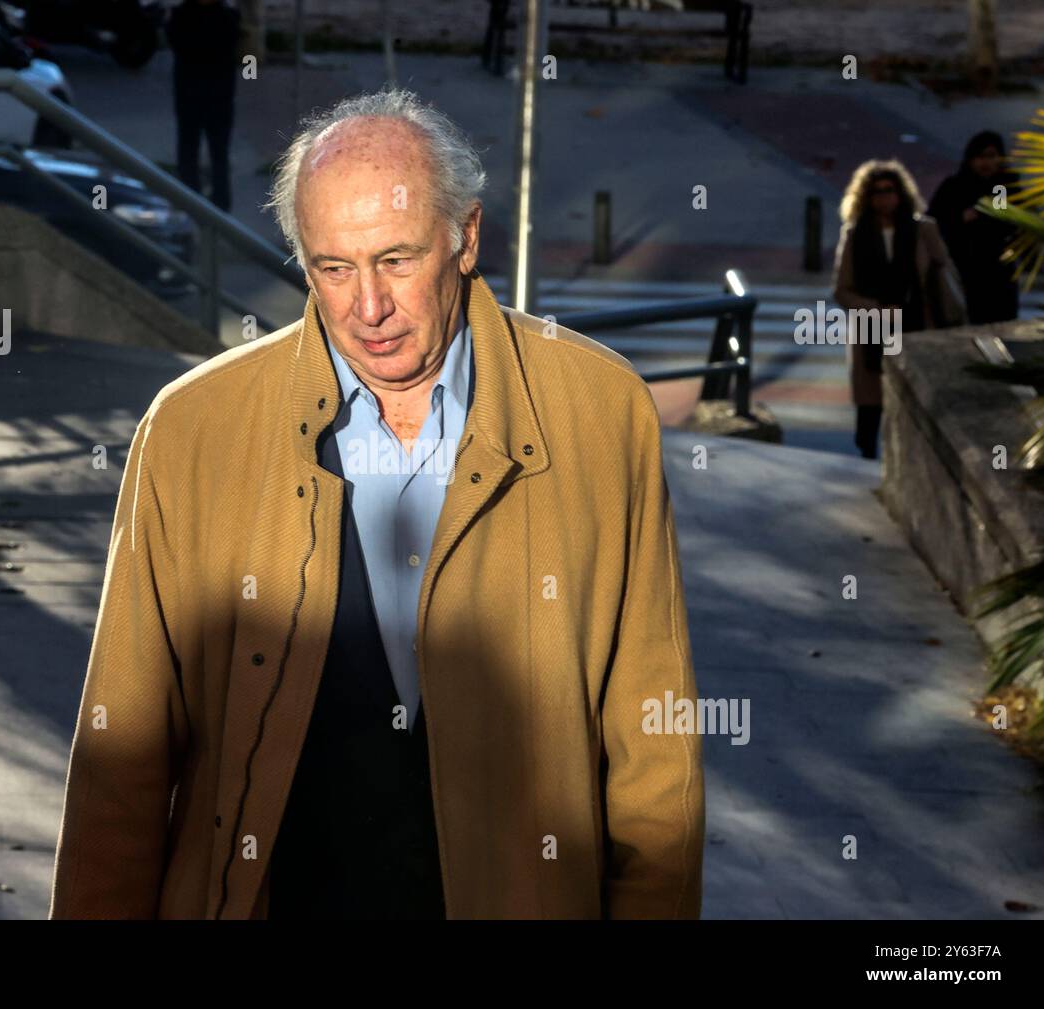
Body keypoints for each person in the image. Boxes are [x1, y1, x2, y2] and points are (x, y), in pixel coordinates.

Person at [49, 88, 704, 920]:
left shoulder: (601, 414)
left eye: (396, 260)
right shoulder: (189, 431)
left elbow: (655, 760)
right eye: (333, 267)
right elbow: (122, 760)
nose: (368, 309)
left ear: (466, 238)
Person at [833, 159, 966, 460]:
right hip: (873, 330)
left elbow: (944, 272)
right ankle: (867, 460)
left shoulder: (923, 230)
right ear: (865, 197)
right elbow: (842, 289)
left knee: (915, 399)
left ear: (900, 193)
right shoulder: (856, 234)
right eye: (876, 191)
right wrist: (875, 308)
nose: (884, 197)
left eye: (889, 190)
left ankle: (910, 458)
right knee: (871, 409)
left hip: (917, 323)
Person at [928, 130, 1020, 324]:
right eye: (980, 156)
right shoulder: (954, 187)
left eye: (991, 156)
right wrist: (960, 218)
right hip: (962, 270)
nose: (985, 163)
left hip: (999, 273)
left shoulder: (1005, 187)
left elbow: (1010, 221)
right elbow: (932, 222)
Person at [166, 0, 241, 212]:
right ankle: (217, 206)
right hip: (216, 98)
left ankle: (192, 204)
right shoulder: (227, 18)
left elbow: (175, 42)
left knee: (191, 151)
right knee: (216, 154)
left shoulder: (182, 16)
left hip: (193, 96)